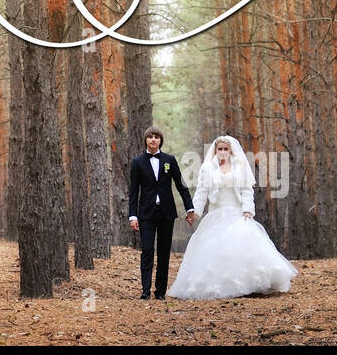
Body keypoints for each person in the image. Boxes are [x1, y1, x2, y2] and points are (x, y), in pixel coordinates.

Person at [167, 134, 297, 299]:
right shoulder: (207, 168)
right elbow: (201, 192)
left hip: (236, 213)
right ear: (215, 151)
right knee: (214, 248)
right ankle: (220, 286)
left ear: (231, 151)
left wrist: (247, 210)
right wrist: (195, 212)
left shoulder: (240, 167)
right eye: (219, 149)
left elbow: (246, 191)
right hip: (215, 213)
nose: (222, 152)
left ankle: (252, 283)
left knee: (243, 242)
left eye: (225, 149)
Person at [127, 127, 194, 299]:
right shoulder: (137, 162)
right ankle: (145, 290)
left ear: (160, 140)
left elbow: (181, 185)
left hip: (166, 213)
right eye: (150, 137)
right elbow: (134, 191)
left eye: (156, 137)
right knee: (148, 250)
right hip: (146, 214)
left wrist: (189, 208)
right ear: (146, 140)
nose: (153, 140)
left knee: (164, 252)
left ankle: (160, 291)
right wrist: (132, 215)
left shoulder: (169, 160)